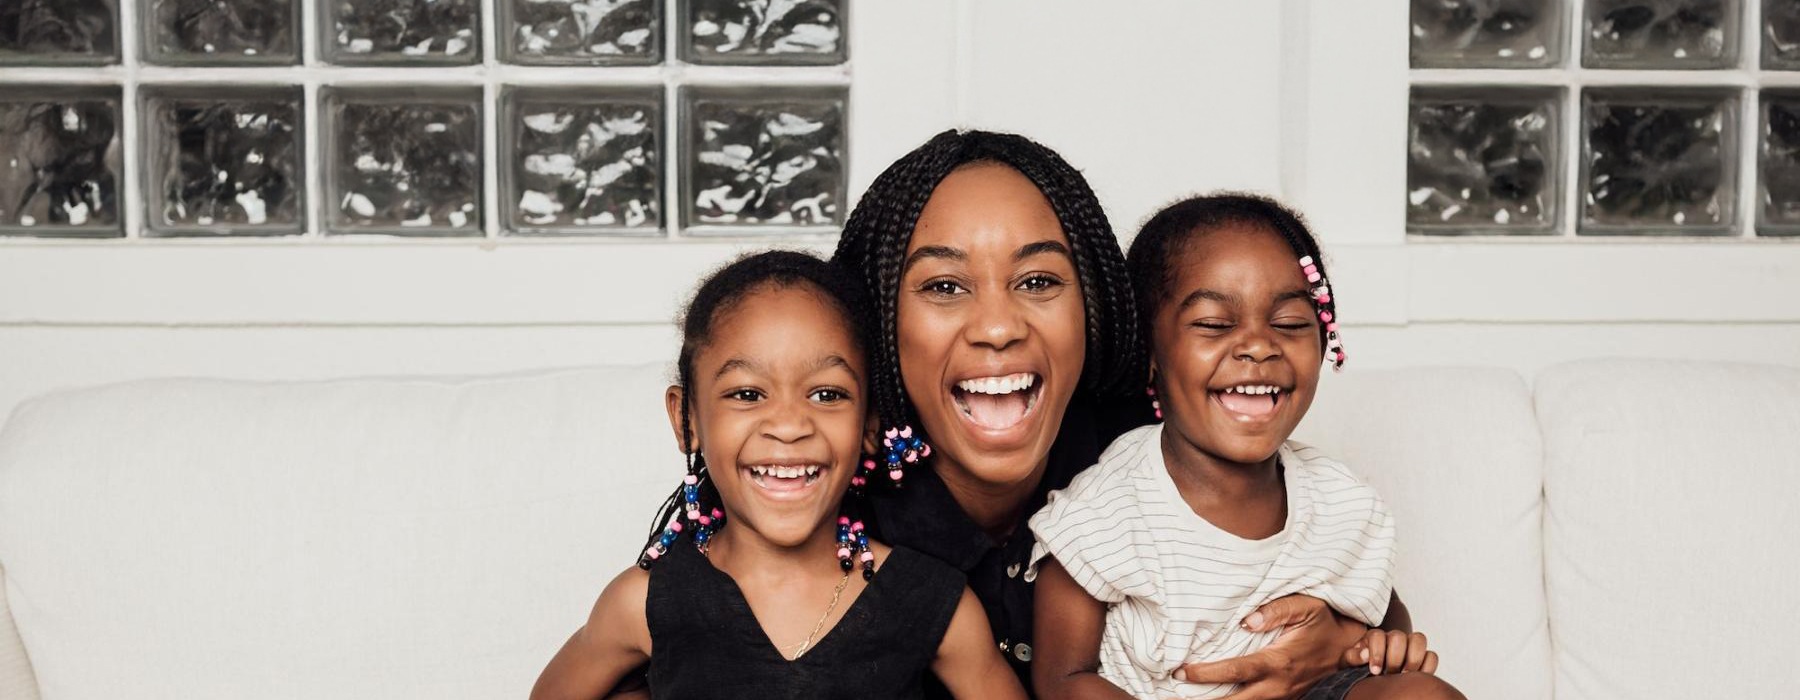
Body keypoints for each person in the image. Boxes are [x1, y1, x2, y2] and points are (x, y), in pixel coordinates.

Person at [832, 131, 1396, 698]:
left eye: (1038, 281)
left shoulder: (1169, 454)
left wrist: (1343, 640)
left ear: (1094, 304)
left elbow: (1352, 580)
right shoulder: (827, 514)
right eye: (945, 286)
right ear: (877, 318)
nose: (998, 327)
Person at [531, 251, 1024, 700]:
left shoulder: (933, 602)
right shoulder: (642, 602)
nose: (789, 426)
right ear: (689, 420)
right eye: (747, 394)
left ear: (870, 425)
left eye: (827, 394)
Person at [1029, 194, 1463, 700]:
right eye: (1214, 324)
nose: (1259, 346)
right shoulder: (1105, 510)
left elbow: (1382, 611)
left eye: (1290, 324)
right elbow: (1064, 680)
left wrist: (1387, 647)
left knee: (1425, 695)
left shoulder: (1339, 499)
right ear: (1148, 353)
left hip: (1314, 691)